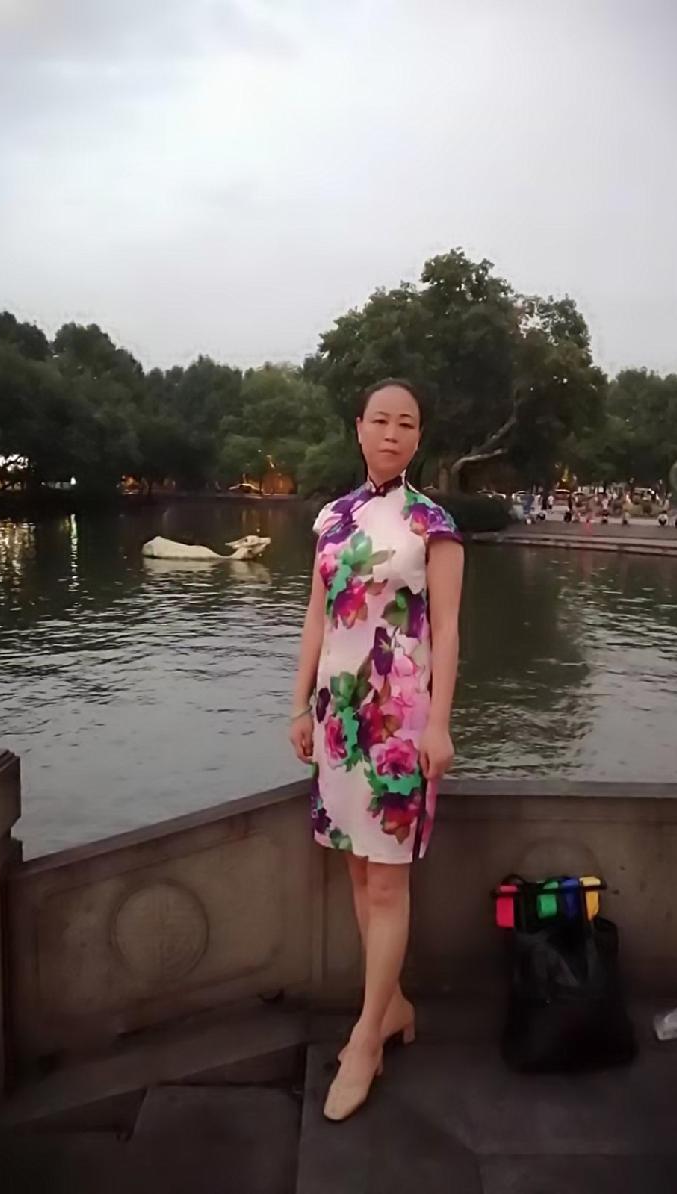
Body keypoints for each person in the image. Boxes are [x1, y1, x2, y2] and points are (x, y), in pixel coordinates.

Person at [289, 378, 464, 1122]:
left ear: (418, 438)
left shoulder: (433, 523)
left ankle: (366, 1041)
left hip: (399, 725)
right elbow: (317, 617)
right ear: (358, 428)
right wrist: (299, 703)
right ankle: (390, 1008)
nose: (392, 434)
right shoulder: (333, 517)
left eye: (407, 424)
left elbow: (447, 631)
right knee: (359, 872)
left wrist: (440, 726)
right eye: (381, 421)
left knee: (388, 883)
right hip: (340, 720)